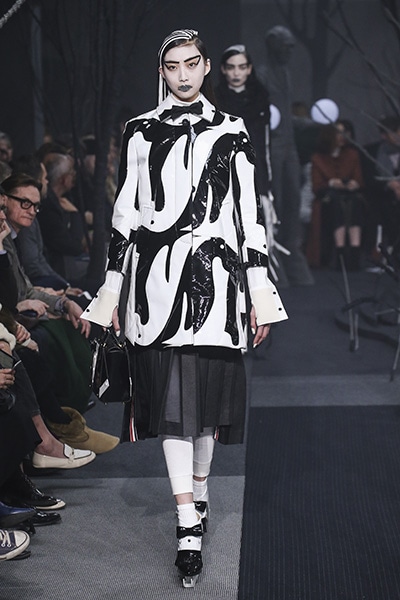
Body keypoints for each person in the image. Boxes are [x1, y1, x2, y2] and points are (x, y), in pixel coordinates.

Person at [82, 28, 287, 587]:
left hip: (218, 286)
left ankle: (198, 494)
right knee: (174, 403)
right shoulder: (139, 131)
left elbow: (249, 218)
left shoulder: (233, 130)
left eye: (191, 64)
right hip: (155, 289)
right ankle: (187, 522)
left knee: (206, 409)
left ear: (205, 66)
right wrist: (111, 293)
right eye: (172, 66)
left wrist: (260, 294)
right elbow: (124, 216)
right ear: (162, 71)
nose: (183, 74)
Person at [215, 44, 285, 283]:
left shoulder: (260, 98)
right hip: (223, 172)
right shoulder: (215, 98)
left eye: (241, 67)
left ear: (249, 69)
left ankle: (256, 284)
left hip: (254, 170)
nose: (236, 73)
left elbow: (264, 144)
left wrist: (266, 184)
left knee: (254, 227)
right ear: (223, 69)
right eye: (231, 67)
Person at [259, 26, 314, 286]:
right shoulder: (261, 75)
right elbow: (263, 114)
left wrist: (305, 123)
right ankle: (273, 258)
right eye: (285, 46)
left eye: (292, 47)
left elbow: (283, 114)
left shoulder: (285, 73)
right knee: (275, 202)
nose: (289, 51)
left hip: (289, 146)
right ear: (272, 44)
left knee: (293, 200)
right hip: (271, 147)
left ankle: (292, 256)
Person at [309, 121, 364, 270]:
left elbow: (358, 179)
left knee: (354, 203)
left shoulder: (352, 154)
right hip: (328, 198)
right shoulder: (318, 158)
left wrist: (353, 184)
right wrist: (333, 183)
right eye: (338, 133)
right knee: (336, 203)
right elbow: (317, 186)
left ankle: (354, 251)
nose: (342, 137)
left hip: (350, 196)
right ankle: (340, 252)